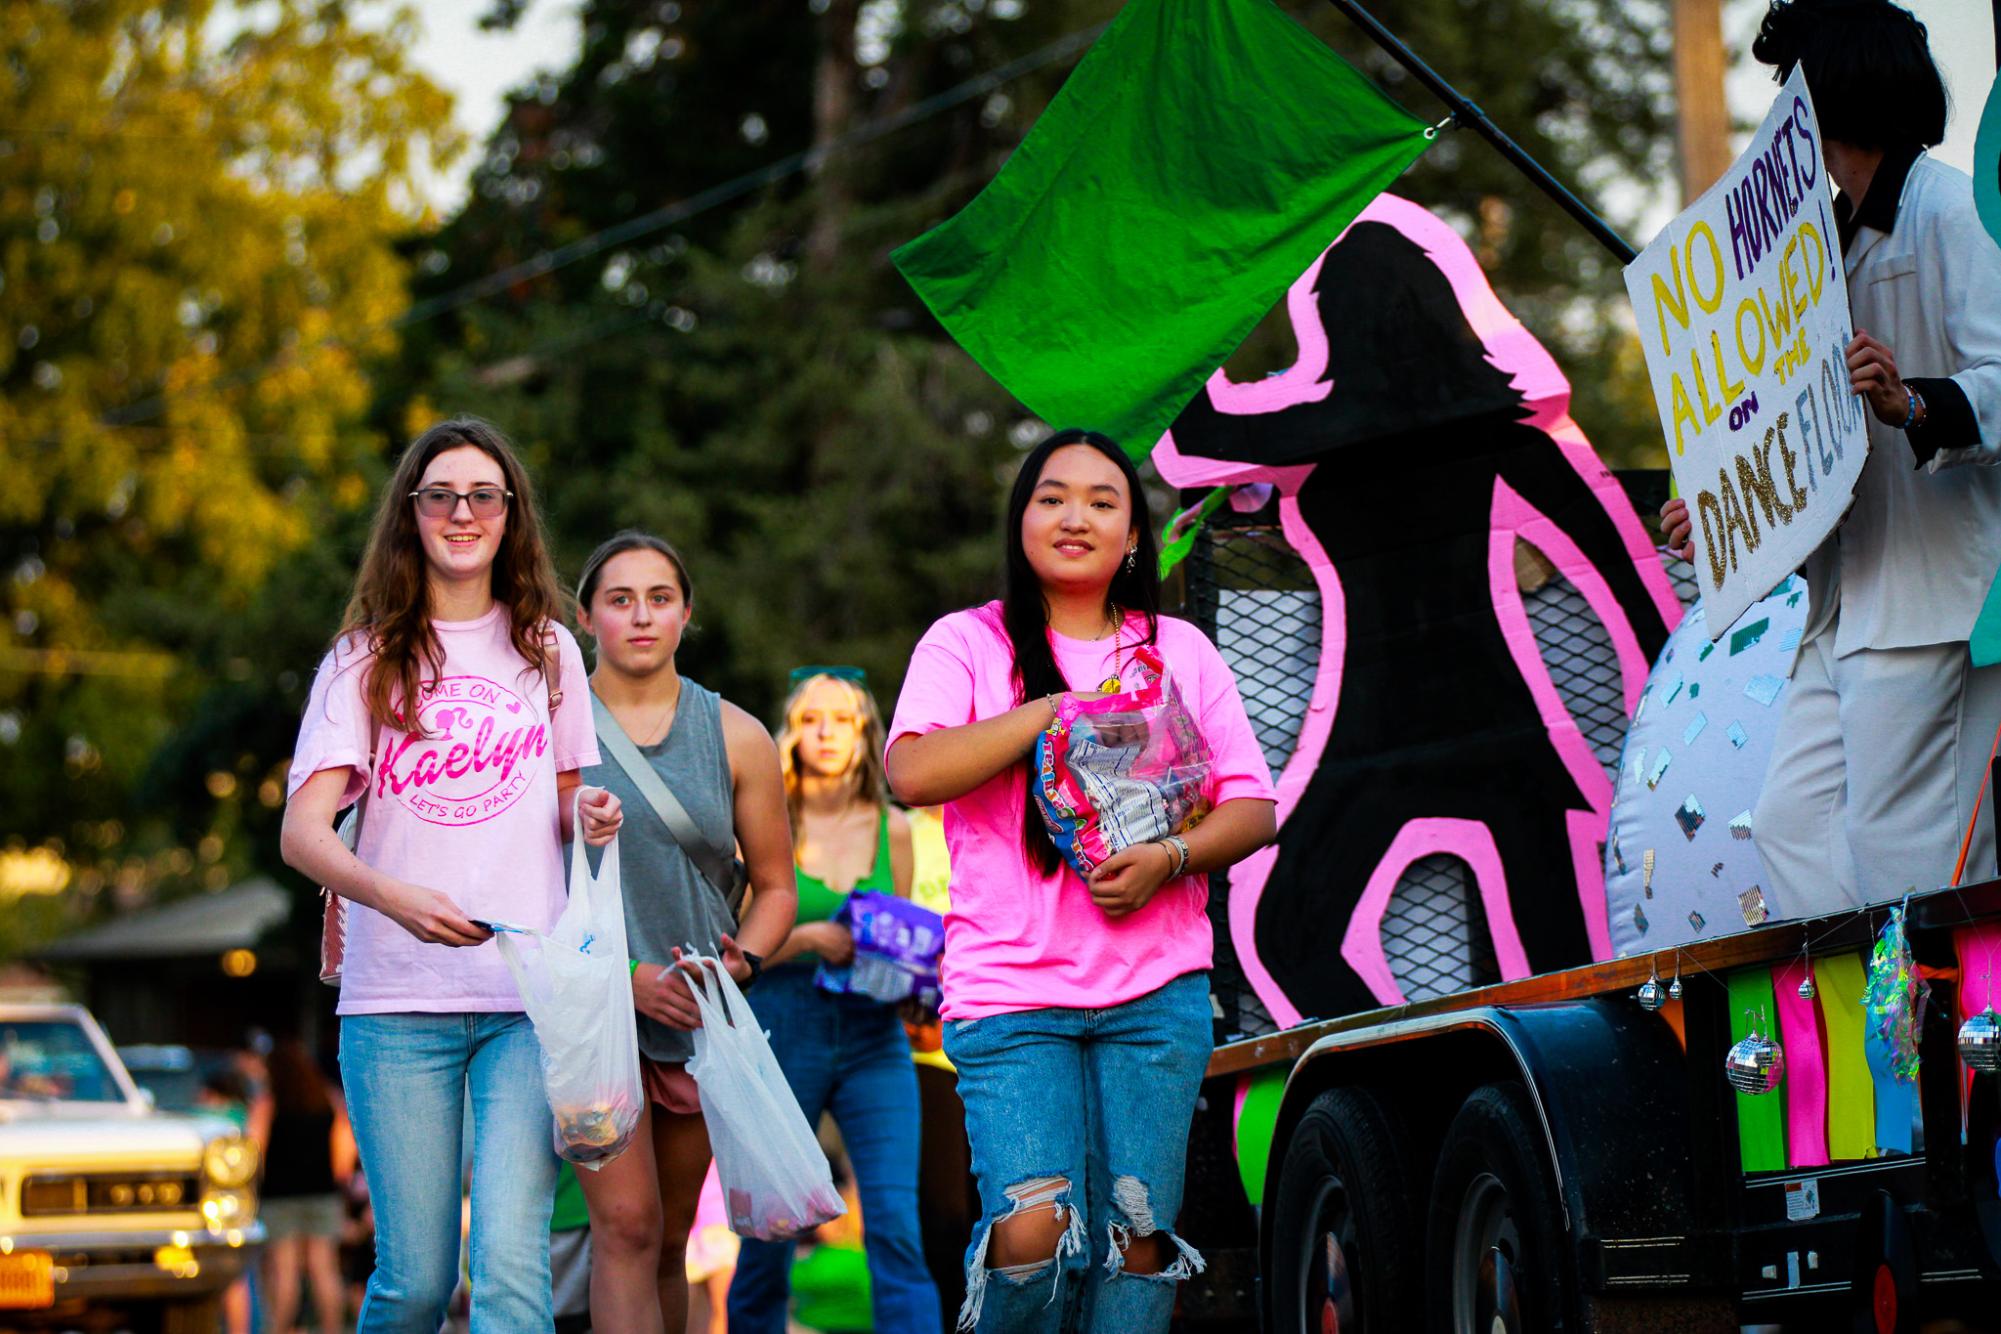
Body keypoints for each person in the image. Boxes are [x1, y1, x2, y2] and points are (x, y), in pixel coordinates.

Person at [886, 428, 1278, 1333]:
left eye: (1103, 501)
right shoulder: (966, 644)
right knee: (1030, 1233)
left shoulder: (1177, 650)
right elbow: (910, 774)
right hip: (1012, 996)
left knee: (1137, 1240)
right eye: (1051, 497)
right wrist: (1053, 712)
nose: (1075, 516)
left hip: (1156, 996)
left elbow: (1253, 808)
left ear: (1134, 535)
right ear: (1021, 520)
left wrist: (1168, 860)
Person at [280, 416, 623, 1332]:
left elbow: (558, 800)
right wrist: (396, 899)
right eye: (441, 495)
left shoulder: (548, 650)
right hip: (396, 1004)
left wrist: (585, 812)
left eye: (483, 495)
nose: (462, 512)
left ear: (510, 515)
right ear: (413, 512)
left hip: (524, 1001)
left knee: (513, 1272)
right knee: (418, 1284)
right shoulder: (362, 660)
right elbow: (303, 833)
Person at [1661, 0, 2001, 914]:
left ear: (1829, 93)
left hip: (1934, 594)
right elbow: (1784, 422)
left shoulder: (1947, 211)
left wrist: (1915, 399)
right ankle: (1888, 1028)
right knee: (1789, 824)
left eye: (1787, 88)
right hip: (1842, 600)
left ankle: (1947, 1045)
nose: (1777, 114)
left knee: (1902, 844)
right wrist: (1724, 502)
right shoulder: (1806, 247)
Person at [569, 530, 798, 1334]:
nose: (640, 616)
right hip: (590, 1016)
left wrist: (745, 961)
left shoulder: (736, 734)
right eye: (619, 599)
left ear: (685, 613)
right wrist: (619, 976)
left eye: (659, 598)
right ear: (586, 615)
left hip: (696, 1019)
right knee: (623, 1228)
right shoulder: (547, 730)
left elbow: (774, 889)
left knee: (668, 1241)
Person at [725, 667, 940, 1333]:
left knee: (897, 1227)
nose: (826, 734)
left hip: (875, 1039)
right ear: (791, 733)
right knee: (770, 1234)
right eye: (812, 719)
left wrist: (915, 991)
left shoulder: (893, 829)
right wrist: (809, 936)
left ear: (864, 733)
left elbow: (896, 945)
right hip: (780, 1033)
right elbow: (731, 954)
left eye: (842, 720)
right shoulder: (759, 823)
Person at [260, 1037, 354, 1334]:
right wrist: (334, 1180)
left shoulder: (269, 1101)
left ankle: (279, 1329)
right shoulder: (328, 1098)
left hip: (279, 1196)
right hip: (323, 1194)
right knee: (324, 1269)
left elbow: (255, 1150)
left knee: (283, 1272)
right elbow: (344, 1153)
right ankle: (332, 1329)